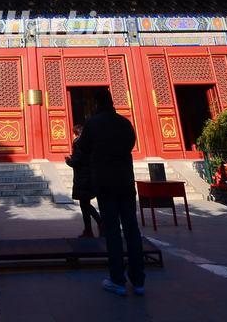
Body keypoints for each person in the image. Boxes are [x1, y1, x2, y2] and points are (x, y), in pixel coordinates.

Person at [79, 87, 144, 297]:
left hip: (105, 182)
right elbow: (130, 144)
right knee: (132, 230)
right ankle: (139, 280)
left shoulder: (93, 124)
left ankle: (117, 280)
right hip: (125, 181)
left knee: (113, 231)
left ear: (96, 104)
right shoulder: (124, 123)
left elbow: (83, 147)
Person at [65, 124, 103, 238]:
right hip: (90, 174)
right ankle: (89, 229)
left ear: (76, 133)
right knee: (85, 204)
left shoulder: (78, 142)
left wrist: (68, 161)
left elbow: (77, 161)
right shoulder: (90, 143)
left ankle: (98, 224)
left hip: (82, 176)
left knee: (85, 204)